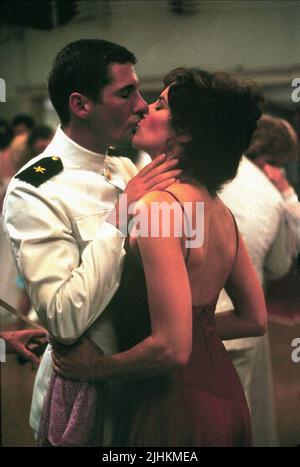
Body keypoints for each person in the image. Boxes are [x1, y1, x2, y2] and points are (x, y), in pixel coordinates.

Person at [52, 67, 267, 447]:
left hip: (174, 405)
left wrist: (95, 368)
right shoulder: (216, 208)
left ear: (184, 132)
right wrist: (191, 330)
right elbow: (254, 319)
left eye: (160, 103)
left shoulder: (158, 208)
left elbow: (171, 347)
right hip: (225, 395)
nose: (143, 108)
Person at [3, 39, 180, 445]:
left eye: (139, 90)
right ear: (81, 105)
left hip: (141, 384)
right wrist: (121, 216)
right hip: (86, 399)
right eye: (125, 93)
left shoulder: (124, 165)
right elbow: (63, 319)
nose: (142, 105)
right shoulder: (35, 188)